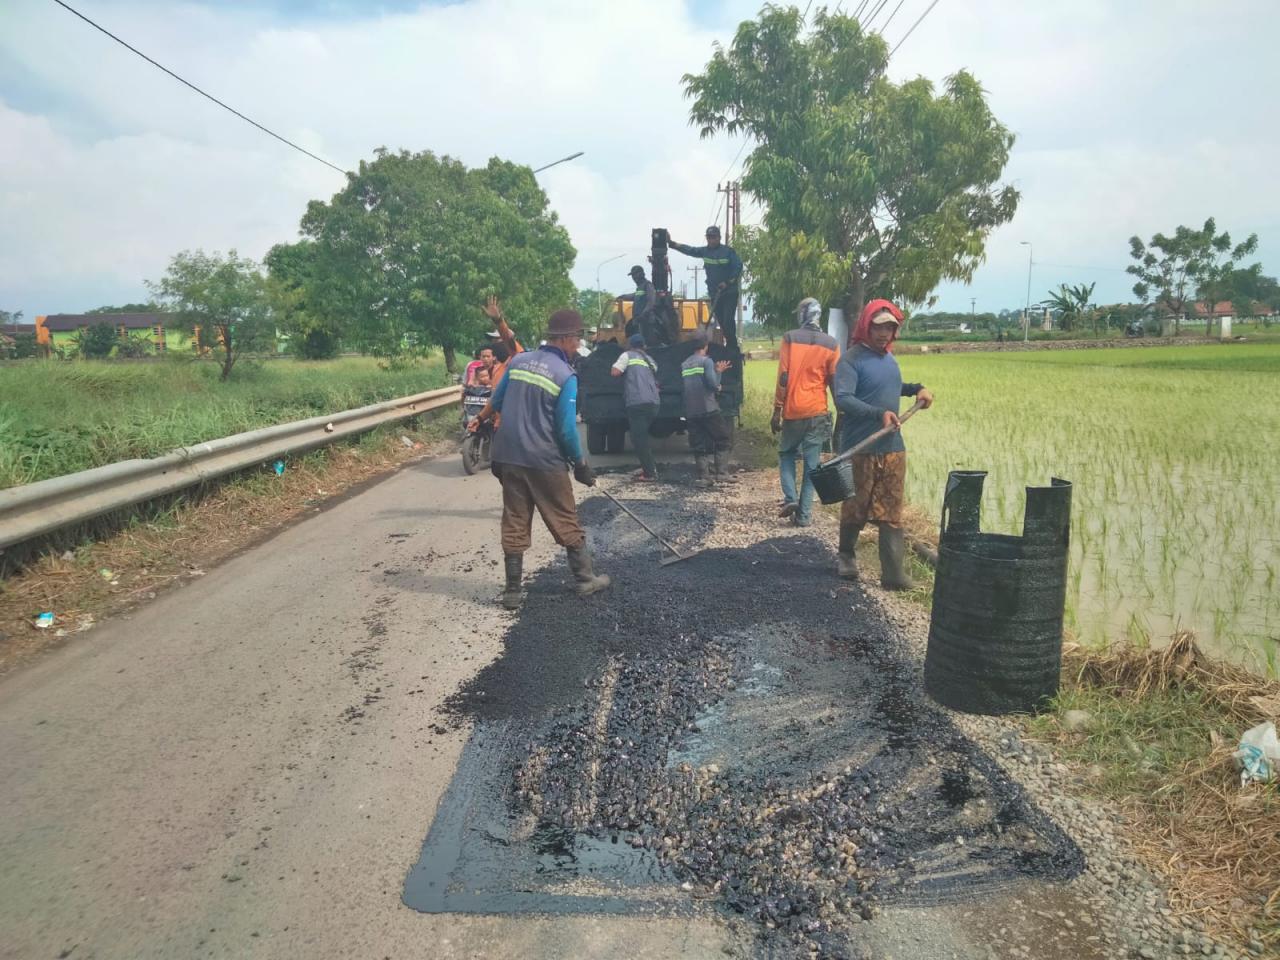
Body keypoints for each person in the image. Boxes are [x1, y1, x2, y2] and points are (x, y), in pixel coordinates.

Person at [489, 303, 610, 611]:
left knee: (515, 519)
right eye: (578, 338)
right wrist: (580, 464)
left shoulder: (519, 361)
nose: (579, 344)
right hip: (544, 460)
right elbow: (567, 430)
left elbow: (499, 400)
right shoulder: (565, 375)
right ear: (566, 338)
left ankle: (513, 592)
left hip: (508, 457)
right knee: (564, 516)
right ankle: (585, 580)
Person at [833, 299, 934, 589]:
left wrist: (917, 389)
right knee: (856, 505)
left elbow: (892, 387)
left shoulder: (890, 360)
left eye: (890, 327)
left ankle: (892, 573)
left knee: (891, 509)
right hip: (861, 446)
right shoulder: (851, 360)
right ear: (866, 326)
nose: (884, 333)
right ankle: (846, 556)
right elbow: (844, 399)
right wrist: (879, 414)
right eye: (878, 327)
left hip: (892, 447)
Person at [771, 297, 839, 527]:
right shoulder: (831, 343)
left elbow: (783, 376)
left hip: (793, 410)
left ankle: (790, 498)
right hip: (818, 411)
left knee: (786, 453)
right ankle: (804, 516)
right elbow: (834, 381)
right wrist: (840, 411)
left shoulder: (790, 338)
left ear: (802, 314)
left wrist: (777, 410)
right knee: (812, 465)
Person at [668, 225, 743, 353]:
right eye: (709, 238)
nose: (711, 240)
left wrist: (727, 282)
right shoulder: (705, 252)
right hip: (715, 294)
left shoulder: (728, 252)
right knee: (722, 323)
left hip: (729, 293)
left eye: (713, 237)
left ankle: (733, 348)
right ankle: (728, 347)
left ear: (719, 238)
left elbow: (738, 267)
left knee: (727, 320)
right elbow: (690, 250)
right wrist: (672, 244)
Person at [680, 334, 733, 488]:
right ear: (706, 346)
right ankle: (722, 474)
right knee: (723, 439)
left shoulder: (685, 364)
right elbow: (712, 384)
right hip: (708, 408)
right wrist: (719, 375)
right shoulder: (706, 361)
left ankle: (704, 476)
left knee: (698, 444)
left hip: (691, 410)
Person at [610, 333, 661, 482]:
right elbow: (655, 372)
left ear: (630, 345)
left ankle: (650, 473)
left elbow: (615, 372)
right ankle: (647, 466)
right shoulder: (650, 360)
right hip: (654, 402)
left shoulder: (627, 355)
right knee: (641, 435)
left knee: (638, 438)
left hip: (637, 402)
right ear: (644, 346)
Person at [618, 265, 664, 347]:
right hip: (640, 321)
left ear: (641, 274)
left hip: (647, 321)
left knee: (649, 343)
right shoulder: (639, 288)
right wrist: (623, 296)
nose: (633, 277)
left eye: (635, 275)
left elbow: (651, 302)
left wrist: (643, 314)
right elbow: (635, 296)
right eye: (632, 275)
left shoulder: (648, 285)